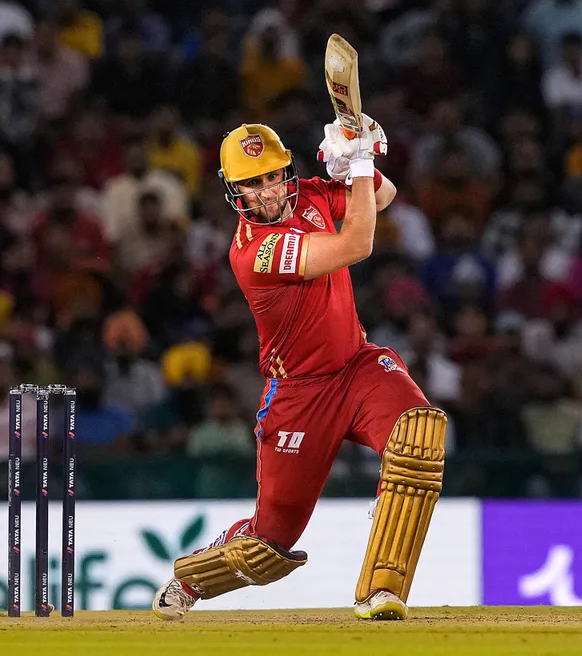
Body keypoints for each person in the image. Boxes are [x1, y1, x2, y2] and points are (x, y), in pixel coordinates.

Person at [151, 118, 448, 621]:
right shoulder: (254, 253)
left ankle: (381, 589)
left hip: (356, 367)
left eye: (272, 176)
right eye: (251, 182)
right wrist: (357, 164)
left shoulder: (309, 194)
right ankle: (192, 578)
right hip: (298, 395)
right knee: (270, 545)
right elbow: (357, 245)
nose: (266, 191)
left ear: (286, 171)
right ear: (233, 192)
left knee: (418, 434)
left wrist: (354, 161)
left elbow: (384, 197)